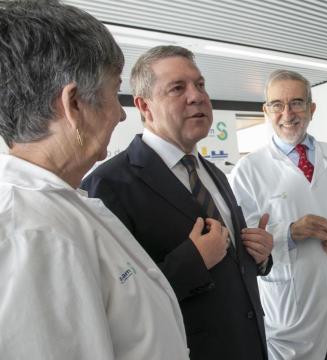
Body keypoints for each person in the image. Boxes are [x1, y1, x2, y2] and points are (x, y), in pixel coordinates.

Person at [0, 2, 188, 359]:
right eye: (114, 93)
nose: (120, 114)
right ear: (74, 105)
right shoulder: (28, 234)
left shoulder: (61, 207)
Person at [81, 45, 273, 360]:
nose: (197, 96)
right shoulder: (108, 185)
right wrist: (193, 261)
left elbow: (233, 263)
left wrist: (260, 255)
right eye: (177, 88)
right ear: (144, 106)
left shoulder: (214, 173)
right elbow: (113, 305)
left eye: (200, 85)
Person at [230, 69, 327, 359]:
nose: (288, 113)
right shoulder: (248, 171)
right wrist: (291, 232)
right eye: (277, 105)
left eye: (297, 102)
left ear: (312, 108)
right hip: (293, 313)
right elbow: (242, 240)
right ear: (265, 111)